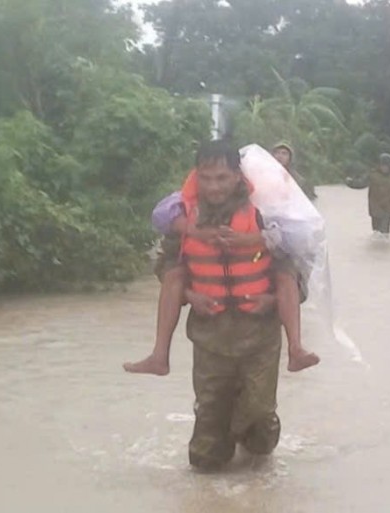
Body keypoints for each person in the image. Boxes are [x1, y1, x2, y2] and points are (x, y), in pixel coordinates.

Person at [139, 140, 295, 470]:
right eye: (206, 178)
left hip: (259, 338)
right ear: (197, 177)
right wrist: (189, 296)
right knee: (205, 456)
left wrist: (271, 300)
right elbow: (166, 267)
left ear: (238, 177)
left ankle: (256, 435)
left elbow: (294, 270)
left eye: (222, 178)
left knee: (259, 419)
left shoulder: (263, 213)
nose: (213, 186)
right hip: (210, 339)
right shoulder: (184, 216)